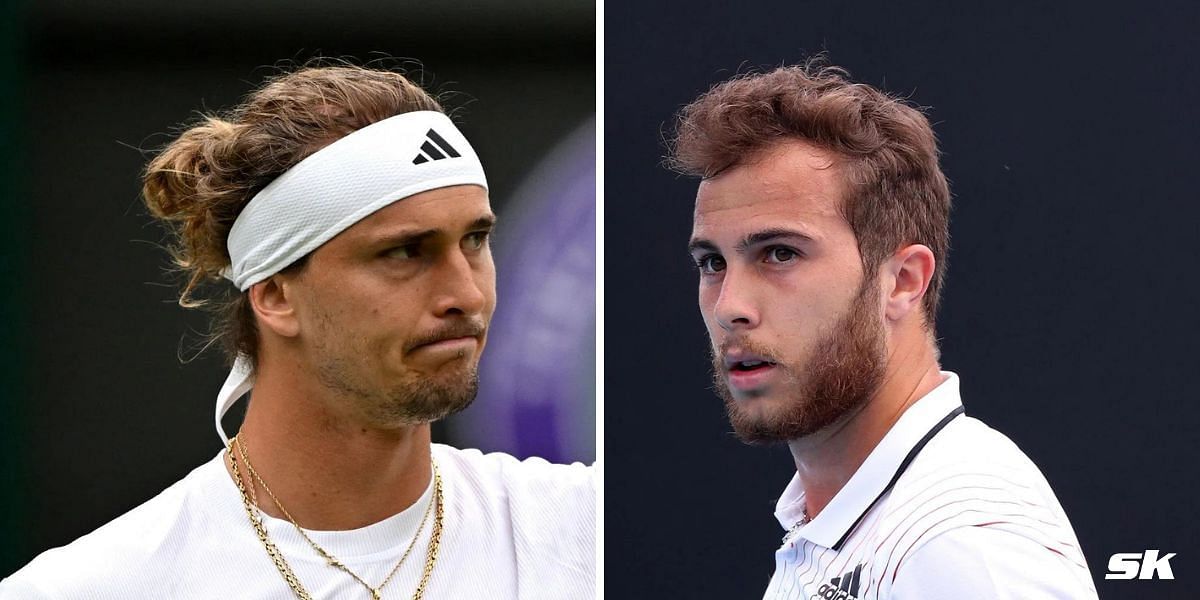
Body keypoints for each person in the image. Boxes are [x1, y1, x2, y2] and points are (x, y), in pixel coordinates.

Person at [0, 65, 594, 599]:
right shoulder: (87, 588)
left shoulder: (593, 532)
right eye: (405, 252)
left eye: (475, 241)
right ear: (276, 295)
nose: (466, 294)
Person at [672, 62, 1097, 598]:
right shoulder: (846, 524)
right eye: (712, 263)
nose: (729, 306)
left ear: (903, 281)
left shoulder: (966, 546)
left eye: (780, 254)